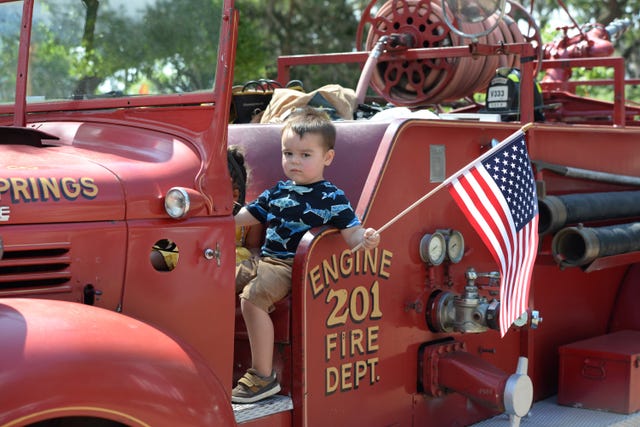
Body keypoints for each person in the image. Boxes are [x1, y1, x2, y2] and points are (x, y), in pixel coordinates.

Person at [232, 107, 380, 404]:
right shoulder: (277, 192)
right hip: (264, 260)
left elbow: (350, 233)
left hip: (291, 266)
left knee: (252, 298)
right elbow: (247, 216)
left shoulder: (331, 197)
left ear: (327, 158)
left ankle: (263, 376)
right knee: (217, 279)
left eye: (305, 155)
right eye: (288, 154)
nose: (294, 161)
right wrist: (216, 217)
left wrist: (365, 239)